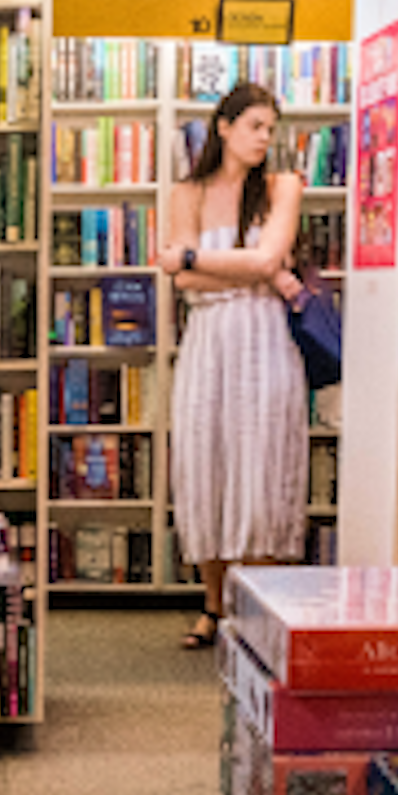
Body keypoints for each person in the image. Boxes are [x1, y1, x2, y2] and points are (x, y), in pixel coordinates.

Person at [157, 82, 311, 648]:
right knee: (206, 464)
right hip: (208, 340)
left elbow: (262, 257)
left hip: (263, 337)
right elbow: (187, 281)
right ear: (223, 127)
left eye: (271, 128)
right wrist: (251, 270)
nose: (265, 138)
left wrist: (196, 257)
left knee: (261, 464)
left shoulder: (282, 186)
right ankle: (214, 606)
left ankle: (258, 607)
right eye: (255, 126)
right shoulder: (188, 192)